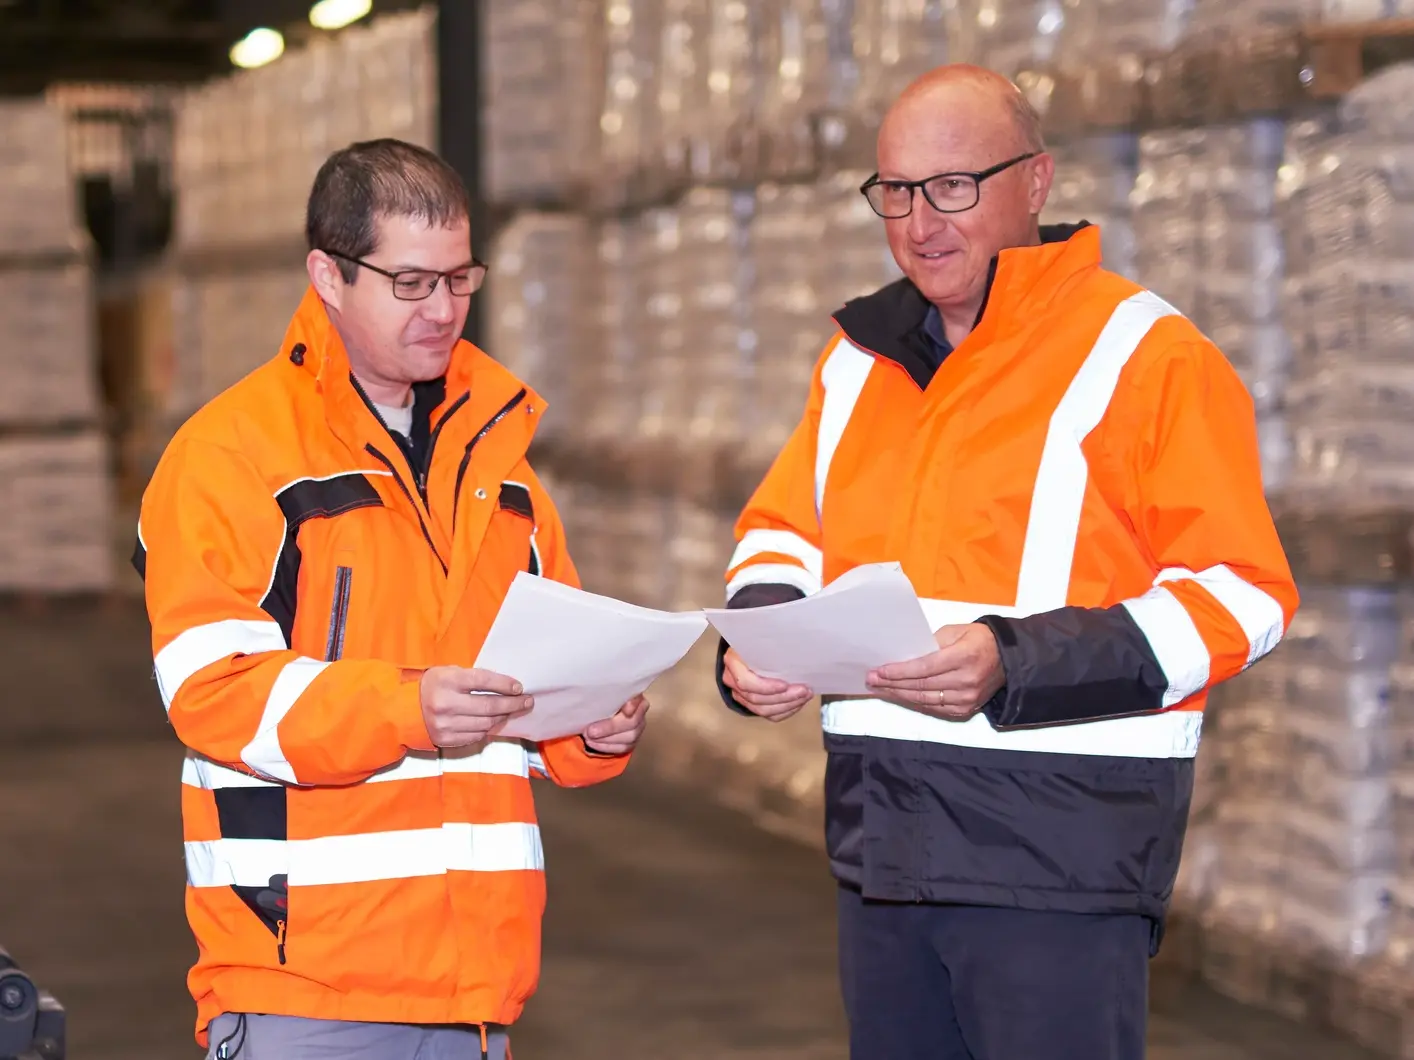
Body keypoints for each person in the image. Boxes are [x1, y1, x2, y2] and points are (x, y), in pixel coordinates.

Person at [717, 66, 1298, 1060]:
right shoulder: (859, 361)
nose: (919, 223)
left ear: (1036, 181)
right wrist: (763, 637)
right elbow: (782, 530)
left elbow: (1243, 594)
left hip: (1056, 860)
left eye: (952, 186)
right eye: (895, 191)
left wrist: (1013, 658)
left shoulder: (1146, 356)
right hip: (884, 849)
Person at [133, 138, 649, 1059]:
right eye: (410, 283)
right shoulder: (231, 457)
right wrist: (408, 708)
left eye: (459, 279)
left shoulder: (503, 476)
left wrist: (591, 725)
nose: (442, 310)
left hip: (477, 992)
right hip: (303, 986)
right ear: (327, 276)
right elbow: (212, 690)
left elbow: (536, 691)